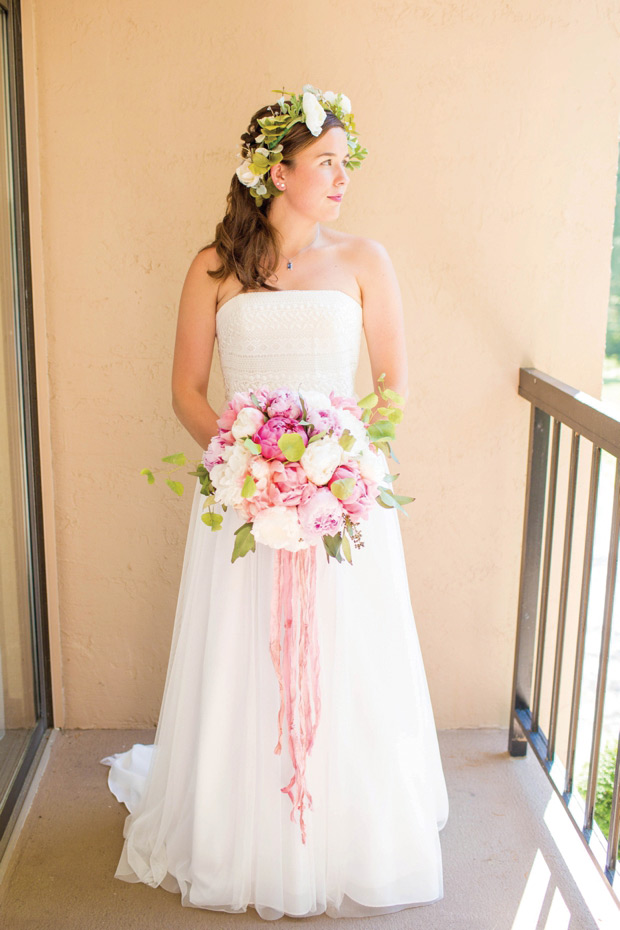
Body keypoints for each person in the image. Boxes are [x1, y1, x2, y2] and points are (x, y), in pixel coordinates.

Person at [101, 84, 449, 920]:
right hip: (243, 508)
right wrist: (246, 469)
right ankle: (238, 828)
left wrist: (338, 472)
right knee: (241, 659)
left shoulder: (366, 261)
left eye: (345, 163)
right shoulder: (214, 268)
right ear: (275, 170)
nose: (341, 178)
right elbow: (187, 391)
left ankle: (344, 825)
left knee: (345, 656)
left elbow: (393, 390)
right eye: (326, 163)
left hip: (339, 509)